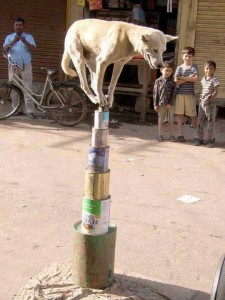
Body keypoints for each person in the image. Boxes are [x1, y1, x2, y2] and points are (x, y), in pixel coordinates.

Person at [3, 17, 37, 119]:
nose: (19, 27)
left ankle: (30, 111)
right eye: (17, 25)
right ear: (14, 26)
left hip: (25, 65)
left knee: (28, 88)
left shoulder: (29, 37)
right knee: (13, 88)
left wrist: (25, 41)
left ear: (23, 26)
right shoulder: (9, 37)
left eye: (20, 25)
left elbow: (34, 49)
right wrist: (13, 41)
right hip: (13, 65)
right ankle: (16, 109)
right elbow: (4, 49)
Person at [174, 47, 199, 142]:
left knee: (193, 115)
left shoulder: (194, 67)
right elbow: (176, 81)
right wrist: (188, 78)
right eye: (186, 56)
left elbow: (195, 79)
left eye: (190, 56)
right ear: (182, 56)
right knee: (179, 115)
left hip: (190, 95)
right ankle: (180, 134)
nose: (187, 58)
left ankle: (196, 135)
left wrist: (182, 78)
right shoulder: (179, 67)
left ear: (193, 57)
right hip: (180, 94)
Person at [194, 61, 219, 148]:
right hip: (201, 103)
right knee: (200, 120)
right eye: (207, 68)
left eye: (211, 69)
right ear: (204, 69)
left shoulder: (215, 79)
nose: (209, 70)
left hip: (210, 104)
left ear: (214, 70)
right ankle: (198, 138)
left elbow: (215, 92)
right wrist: (198, 94)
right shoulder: (203, 79)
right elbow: (202, 89)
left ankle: (210, 140)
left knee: (210, 121)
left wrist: (210, 98)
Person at [153, 61, 177, 142]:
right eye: (166, 70)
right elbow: (155, 93)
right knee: (160, 120)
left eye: (170, 71)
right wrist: (155, 104)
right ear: (161, 70)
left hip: (170, 105)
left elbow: (174, 93)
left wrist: (170, 103)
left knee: (171, 120)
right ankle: (160, 135)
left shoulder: (172, 81)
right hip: (161, 104)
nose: (168, 73)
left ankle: (171, 135)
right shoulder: (158, 81)